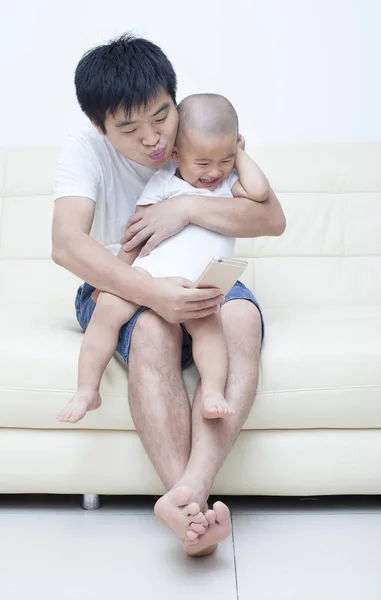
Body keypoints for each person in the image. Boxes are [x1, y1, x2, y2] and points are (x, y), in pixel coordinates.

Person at [52, 34, 286, 558]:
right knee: (156, 330)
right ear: (100, 126)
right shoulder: (82, 148)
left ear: (173, 101)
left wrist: (185, 210)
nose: (155, 140)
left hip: (201, 269)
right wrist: (154, 293)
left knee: (242, 320)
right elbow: (67, 245)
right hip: (123, 276)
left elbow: (271, 218)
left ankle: (187, 498)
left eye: (162, 118)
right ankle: (194, 518)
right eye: (130, 129)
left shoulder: (202, 130)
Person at [57, 93, 269, 426]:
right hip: (150, 273)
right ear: (176, 154)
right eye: (202, 163)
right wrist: (109, 281)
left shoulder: (230, 184)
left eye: (224, 159)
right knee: (107, 309)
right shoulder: (165, 183)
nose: (213, 171)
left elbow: (259, 192)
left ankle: (213, 391)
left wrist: (238, 155)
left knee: (209, 329)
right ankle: (87, 389)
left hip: (201, 280)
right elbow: (134, 233)